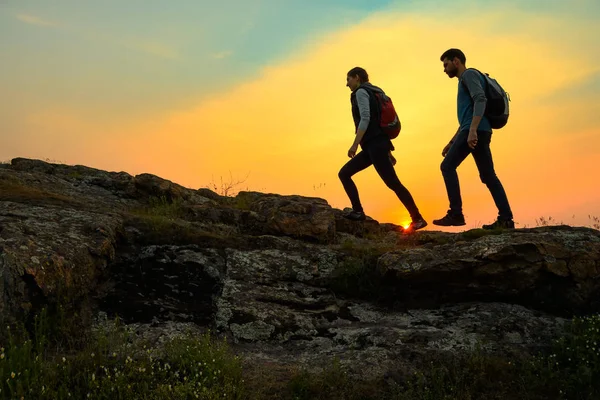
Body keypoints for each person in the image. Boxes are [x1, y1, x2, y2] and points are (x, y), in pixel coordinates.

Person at [433, 48, 514, 229]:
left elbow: (480, 99)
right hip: (476, 130)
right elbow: (467, 116)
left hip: (475, 130)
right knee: (488, 175)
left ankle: (456, 214)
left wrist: (472, 131)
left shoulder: (469, 75)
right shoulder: (466, 79)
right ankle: (506, 219)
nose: (444, 69)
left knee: (447, 166)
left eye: (446, 64)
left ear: (456, 61)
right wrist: (452, 141)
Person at [339, 67, 427, 232]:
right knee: (344, 173)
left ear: (357, 78)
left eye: (348, 79)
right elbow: (378, 121)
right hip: (376, 146)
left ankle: (417, 218)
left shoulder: (361, 92)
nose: (347, 84)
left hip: (374, 146)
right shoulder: (375, 91)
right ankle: (358, 211)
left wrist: (355, 144)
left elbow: (365, 118)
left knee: (393, 183)